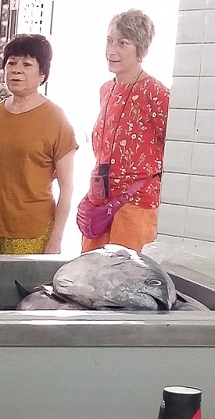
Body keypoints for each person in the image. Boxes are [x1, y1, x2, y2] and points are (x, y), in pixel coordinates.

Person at [0, 35, 76, 255]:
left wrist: (56, 239)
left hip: (32, 232)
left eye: (27, 64)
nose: (16, 70)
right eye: (11, 63)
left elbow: (67, 188)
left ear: (42, 73)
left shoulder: (56, 118)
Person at [80, 8, 169, 253]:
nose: (112, 50)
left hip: (137, 203)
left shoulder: (156, 93)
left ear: (140, 50)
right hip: (100, 199)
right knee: (90, 275)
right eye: (109, 41)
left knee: (126, 278)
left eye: (122, 43)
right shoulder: (105, 90)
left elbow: (174, 149)